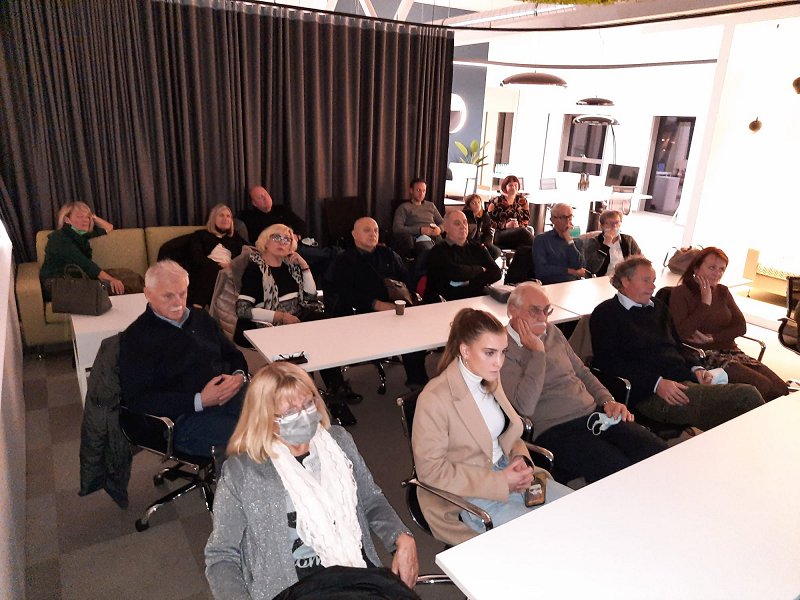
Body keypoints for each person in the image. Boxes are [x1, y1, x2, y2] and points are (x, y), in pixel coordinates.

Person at [205, 362, 418, 599]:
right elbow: (221, 556)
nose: (303, 415)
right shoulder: (242, 472)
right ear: (264, 418)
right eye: (289, 412)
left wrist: (401, 536)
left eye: (308, 404)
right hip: (294, 588)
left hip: (356, 573)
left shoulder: (339, 442)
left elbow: (370, 500)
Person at [411, 308, 571, 546]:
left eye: (503, 352)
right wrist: (501, 482)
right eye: (489, 353)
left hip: (508, 470)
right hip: (471, 492)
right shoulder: (434, 399)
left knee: (575, 510)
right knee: (542, 541)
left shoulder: (489, 378)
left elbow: (508, 435)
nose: (499, 362)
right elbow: (431, 472)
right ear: (465, 350)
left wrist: (520, 459)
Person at [500, 282, 667, 484]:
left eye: (546, 310)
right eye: (534, 310)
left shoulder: (552, 332)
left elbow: (581, 372)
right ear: (513, 311)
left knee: (656, 450)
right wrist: (537, 353)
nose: (543, 318)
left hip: (592, 413)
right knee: (618, 469)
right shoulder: (502, 347)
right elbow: (524, 407)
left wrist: (607, 401)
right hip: (555, 428)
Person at [590, 256, 764, 431]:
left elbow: (677, 344)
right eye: (646, 280)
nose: (653, 286)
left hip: (681, 380)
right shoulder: (606, 314)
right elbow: (608, 363)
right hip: (650, 394)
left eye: (653, 281)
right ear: (625, 281)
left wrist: (696, 368)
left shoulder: (657, 307)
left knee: (742, 409)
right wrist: (656, 384)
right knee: (746, 397)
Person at [119, 260, 248, 457]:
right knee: (255, 435)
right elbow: (138, 400)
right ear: (148, 294)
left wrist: (239, 377)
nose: (178, 303)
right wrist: (200, 400)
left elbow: (233, 354)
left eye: (182, 293)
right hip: (184, 417)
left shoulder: (201, 318)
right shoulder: (137, 338)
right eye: (168, 296)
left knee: (280, 414)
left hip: (228, 394)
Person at [235, 223, 361, 403]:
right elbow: (242, 309)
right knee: (306, 338)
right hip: (268, 323)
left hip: (296, 317)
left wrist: (305, 266)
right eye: (276, 237)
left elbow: (310, 296)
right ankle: (309, 392)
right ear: (265, 241)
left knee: (325, 326)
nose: (282, 242)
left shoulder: (290, 266)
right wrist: (281, 316)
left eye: (287, 239)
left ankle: (335, 386)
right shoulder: (255, 269)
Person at [669, 247, 788, 401]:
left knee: (781, 389)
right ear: (696, 268)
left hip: (732, 352)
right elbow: (681, 333)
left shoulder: (722, 291)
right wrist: (705, 303)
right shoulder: (680, 293)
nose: (717, 273)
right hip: (703, 356)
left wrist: (713, 337)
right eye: (712, 267)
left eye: (721, 269)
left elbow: (740, 326)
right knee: (762, 386)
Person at [330, 217, 428, 388]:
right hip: (363, 313)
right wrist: (377, 305)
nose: (373, 234)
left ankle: (417, 382)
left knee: (416, 333)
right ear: (354, 234)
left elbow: (406, 279)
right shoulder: (345, 260)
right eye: (367, 230)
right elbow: (345, 293)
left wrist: (408, 300)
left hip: (397, 309)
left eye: (375, 230)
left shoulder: (387, 253)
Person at [40, 201, 125, 299]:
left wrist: (93, 217)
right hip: (57, 283)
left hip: (76, 277)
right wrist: (111, 280)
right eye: (80, 217)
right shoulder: (59, 237)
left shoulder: (80, 235)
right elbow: (85, 264)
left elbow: (109, 227)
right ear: (67, 220)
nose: (86, 220)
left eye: (87, 217)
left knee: (128, 276)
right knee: (118, 287)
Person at [423, 210, 501, 303]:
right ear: (446, 228)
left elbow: (496, 273)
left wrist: (469, 282)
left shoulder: (477, 247)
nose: (463, 226)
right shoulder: (438, 250)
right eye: (457, 223)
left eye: (465, 222)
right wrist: (480, 269)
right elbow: (455, 273)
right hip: (445, 303)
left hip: (475, 300)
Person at [186, 203, 248, 307]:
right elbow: (196, 257)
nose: (225, 219)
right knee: (211, 272)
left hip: (231, 271)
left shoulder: (235, 237)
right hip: (207, 270)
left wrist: (233, 265)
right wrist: (218, 266)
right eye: (221, 215)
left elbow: (248, 253)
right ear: (213, 218)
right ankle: (198, 307)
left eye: (228, 216)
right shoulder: (200, 235)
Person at [532, 202, 587, 284]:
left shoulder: (576, 241)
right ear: (553, 220)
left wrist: (570, 242)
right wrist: (570, 271)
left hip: (573, 285)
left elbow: (580, 267)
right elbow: (541, 270)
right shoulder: (541, 239)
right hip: (551, 284)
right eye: (564, 217)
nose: (568, 221)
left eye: (570, 217)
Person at [391, 178, 444, 258]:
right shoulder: (404, 207)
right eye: (418, 190)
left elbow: (443, 223)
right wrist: (420, 230)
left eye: (424, 191)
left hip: (436, 238)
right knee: (428, 251)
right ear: (411, 191)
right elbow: (397, 228)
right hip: (419, 238)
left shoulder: (430, 205)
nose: (421, 194)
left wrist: (439, 229)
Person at [580, 209, 642, 277]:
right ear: (602, 226)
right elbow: (591, 269)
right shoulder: (593, 242)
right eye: (609, 223)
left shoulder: (629, 240)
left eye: (617, 222)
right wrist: (605, 245)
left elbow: (641, 260)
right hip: (603, 279)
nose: (614, 226)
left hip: (625, 278)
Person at [237, 186, 307, 244]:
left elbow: (301, 224)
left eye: (266, 194)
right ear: (254, 203)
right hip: (274, 249)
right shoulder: (250, 217)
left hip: (292, 244)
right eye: (260, 197)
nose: (265, 198)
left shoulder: (281, 209)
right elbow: (257, 239)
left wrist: (296, 236)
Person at [486, 175, 533, 250]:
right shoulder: (496, 201)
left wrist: (518, 225)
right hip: (500, 233)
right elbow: (489, 221)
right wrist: (505, 225)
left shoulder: (522, 200)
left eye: (515, 185)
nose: (513, 187)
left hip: (518, 232)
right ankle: (542, 247)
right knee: (523, 232)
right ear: (505, 187)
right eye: (510, 185)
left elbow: (526, 219)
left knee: (526, 244)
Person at [462, 194, 500, 260]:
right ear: (468, 206)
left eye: (479, 202)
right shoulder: (464, 216)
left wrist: (486, 243)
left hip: (481, 242)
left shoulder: (485, 216)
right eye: (473, 203)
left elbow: (488, 232)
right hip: (469, 244)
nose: (477, 205)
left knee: (496, 251)